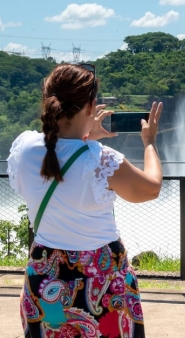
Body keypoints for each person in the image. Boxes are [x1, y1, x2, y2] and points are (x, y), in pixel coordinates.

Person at [7, 63, 163, 337]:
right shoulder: (101, 159)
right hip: (101, 279)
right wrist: (149, 142)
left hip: (45, 277)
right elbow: (151, 188)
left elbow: (60, 151)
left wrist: (86, 137)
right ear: (91, 107)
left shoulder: (25, 149)